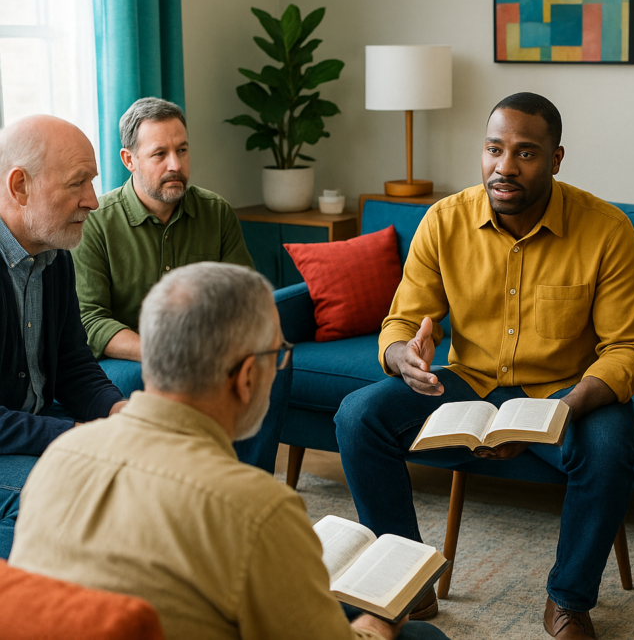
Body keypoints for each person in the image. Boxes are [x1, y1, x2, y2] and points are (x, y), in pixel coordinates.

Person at [335, 93, 634, 640]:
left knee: (610, 444)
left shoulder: (606, 230)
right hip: (467, 381)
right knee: (358, 415)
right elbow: (401, 320)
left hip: (564, 389)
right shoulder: (444, 221)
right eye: (493, 149)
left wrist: (561, 409)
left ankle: (569, 602)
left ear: (556, 159)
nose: (504, 167)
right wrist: (403, 358)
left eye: (525, 153)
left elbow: (630, 348)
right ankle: (409, 586)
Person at [9, 263, 449, 640]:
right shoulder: (258, 509)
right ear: (245, 379)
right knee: (418, 634)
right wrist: (377, 626)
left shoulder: (57, 461)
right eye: (278, 356)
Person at [70, 97, 286, 472]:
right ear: (129, 160)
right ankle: (173, 485)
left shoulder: (215, 211)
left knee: (273, 360)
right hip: (128, 360)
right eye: (160, 154)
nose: (176, 165)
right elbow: (90, 320)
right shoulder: (97, 223)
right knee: (154, 380)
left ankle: (247, 482)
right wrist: (168, 353)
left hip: (210, 350)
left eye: (182, 150)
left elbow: (245, 299)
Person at [0, 115, 125, 559]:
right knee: (66, 499)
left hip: (30, 427)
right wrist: (75, 435)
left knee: (138, 485)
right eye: (78, 183)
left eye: (92, 181)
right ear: (20, 187)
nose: (93, 200)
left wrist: (120, 411)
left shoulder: (56, 254)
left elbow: (74, 364)